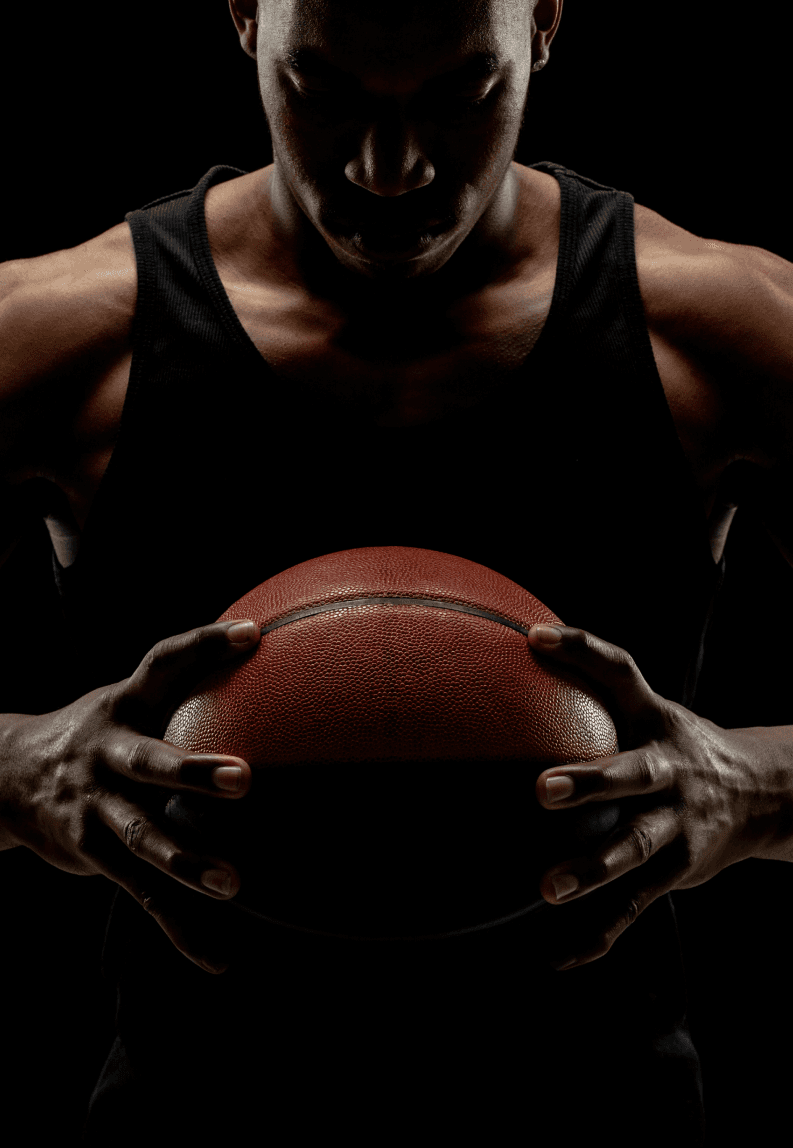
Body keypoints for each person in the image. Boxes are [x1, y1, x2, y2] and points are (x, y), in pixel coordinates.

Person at [1, 0, 792, 1142]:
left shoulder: (726, 325)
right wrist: (23, 771)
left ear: (547, 25)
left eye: (464, 91)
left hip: (600, 1131)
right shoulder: (60, 336)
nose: (388, 168)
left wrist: (752, 789)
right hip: (195, 1133)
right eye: (321, 89)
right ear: (241, 17)